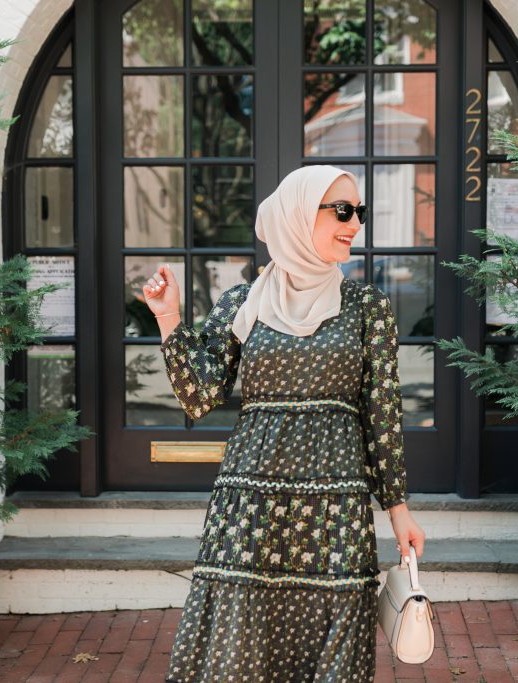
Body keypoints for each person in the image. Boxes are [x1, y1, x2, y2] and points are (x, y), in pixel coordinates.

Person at [141, 164, 426, 682]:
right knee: (243, 630)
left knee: (334, 623)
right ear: (297, 217)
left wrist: (398, 508)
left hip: (335, 504)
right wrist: (168, 318)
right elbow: (199, 396)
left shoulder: (367, 307)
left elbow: (382, 413)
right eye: (342, 210)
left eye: (359, 212)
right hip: (253, 500)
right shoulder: (243, 303)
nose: (354, 223)